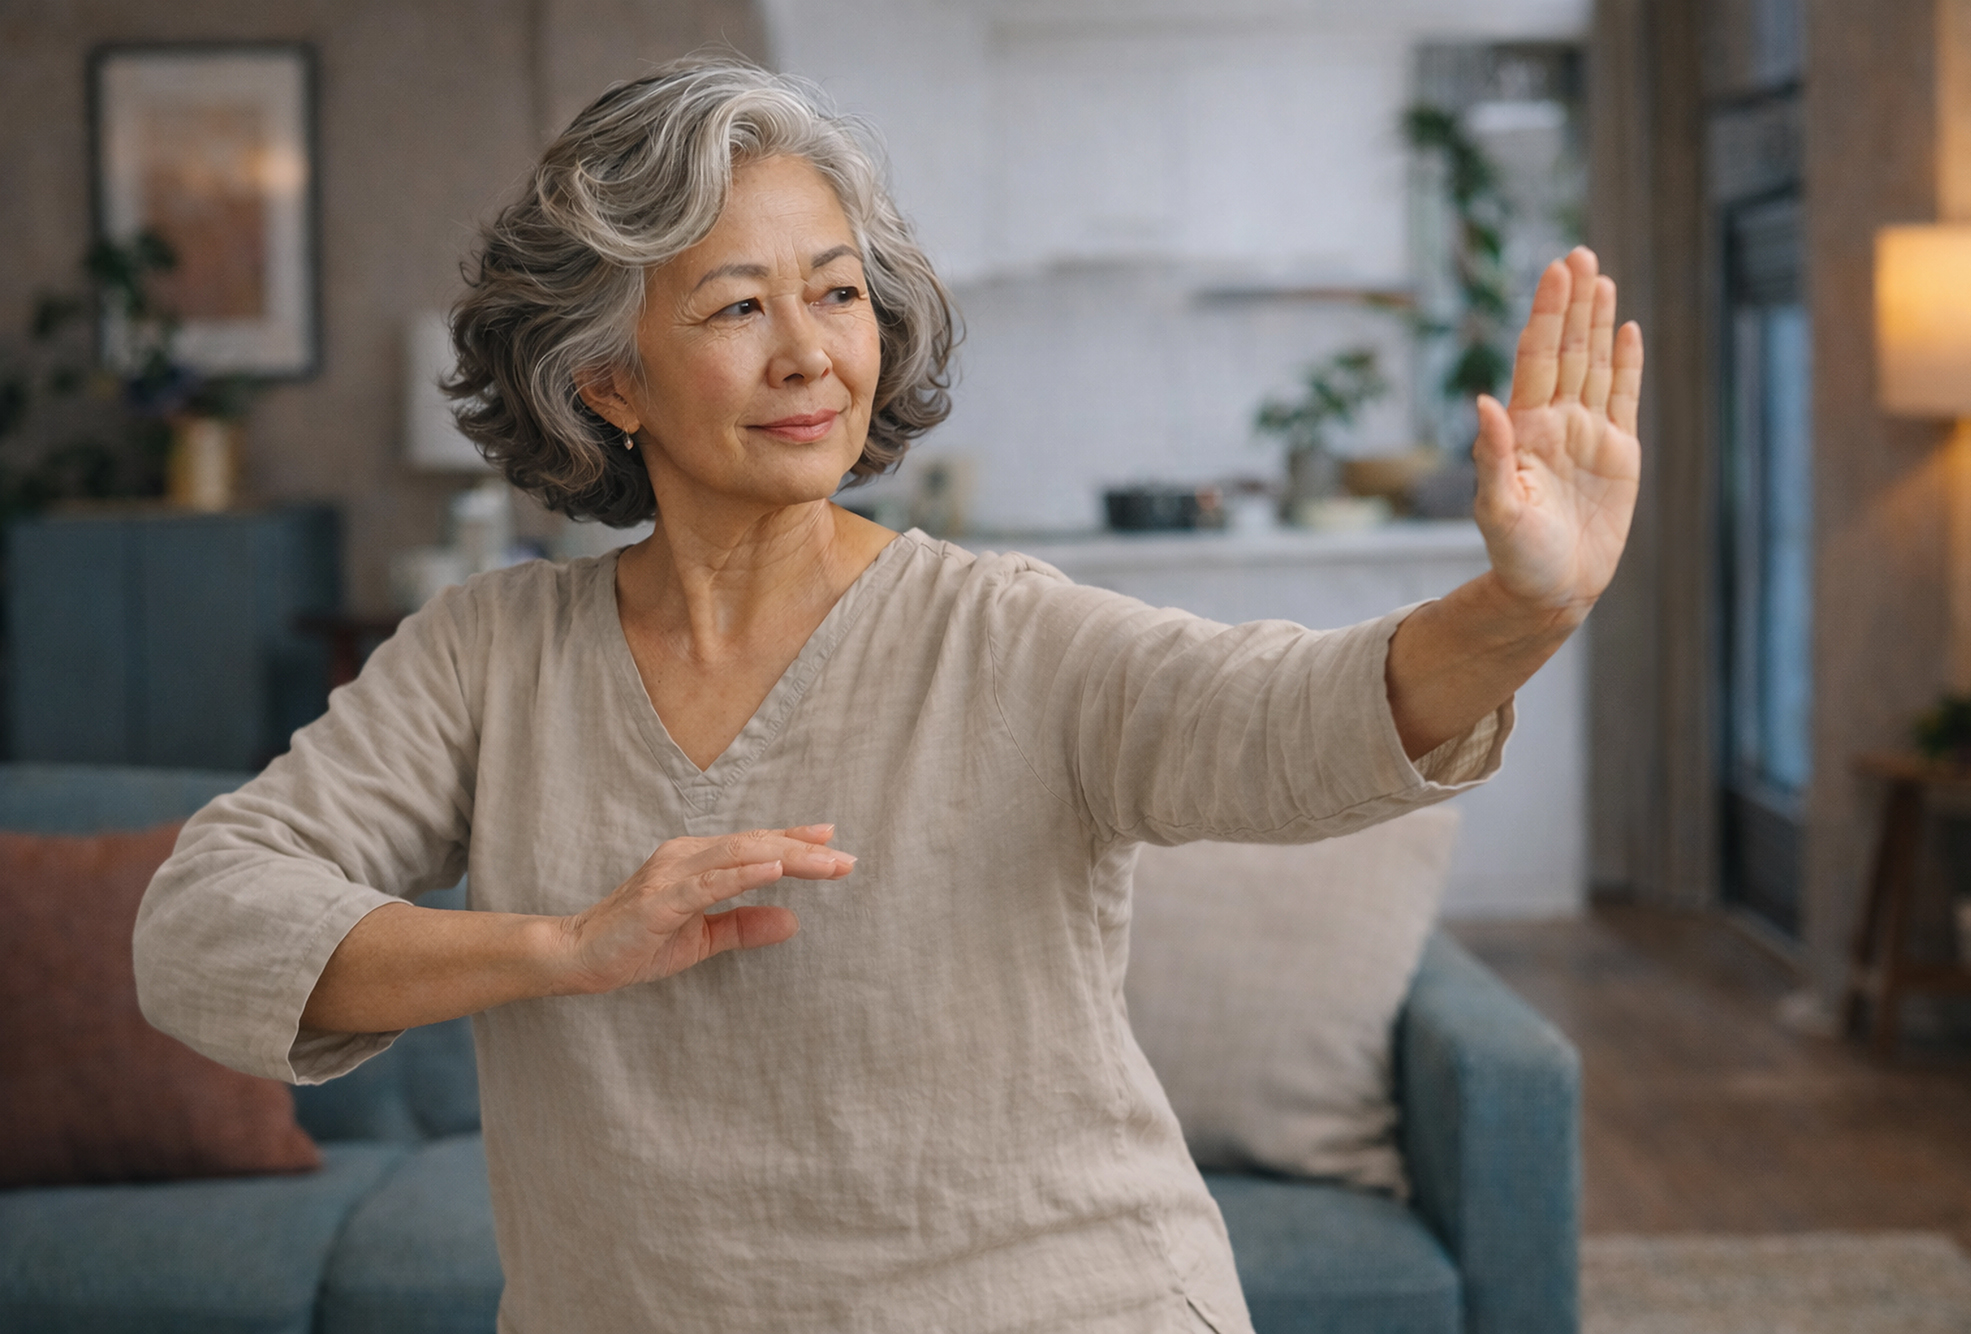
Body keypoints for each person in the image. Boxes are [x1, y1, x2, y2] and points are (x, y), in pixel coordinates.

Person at [135, 59, 1642, 1334]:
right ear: (608, 380)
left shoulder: (1004, 634)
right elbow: (205, 924)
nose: (809, 354)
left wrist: (1519, 605)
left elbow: (1289, 718)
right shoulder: (488, 657)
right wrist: (562, 946)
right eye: (735, 307)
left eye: (839, 293)